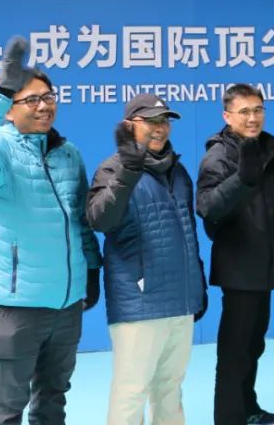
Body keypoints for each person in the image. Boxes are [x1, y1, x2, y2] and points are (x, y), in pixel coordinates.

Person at [0, 36, 102, 425]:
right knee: (4, 411)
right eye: (31, 99)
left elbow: (79, 218)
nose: (44, 106)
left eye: (48, 97)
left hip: (66, 306)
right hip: (16, 307)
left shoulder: (68, 153)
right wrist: (0, 90)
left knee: (53, 400)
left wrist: (91, 268)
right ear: (8, 110)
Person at [87, 94, 207, 425]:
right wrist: (128, 169)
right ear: (129, 126)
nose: (160, 128)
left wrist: (197, 286)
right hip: (139, 303)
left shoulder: (178, 171)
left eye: (164, 121)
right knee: (131, 391)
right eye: (151, 121)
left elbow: (188, 233)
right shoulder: (112, 168)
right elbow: (100, 220)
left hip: (180, 301)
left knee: (170, 388)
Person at [196, 84, 274, 425]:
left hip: (265, 264)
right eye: (244, 111)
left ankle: (248, 409)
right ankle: (229, 418)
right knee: (235, 351)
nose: (253, 118)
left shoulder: (272, 148)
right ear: (227, 116)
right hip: (238, 266)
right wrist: (242, 179)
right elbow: (207, 207)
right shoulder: (219, 155)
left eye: (258, 110)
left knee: (253, 345)